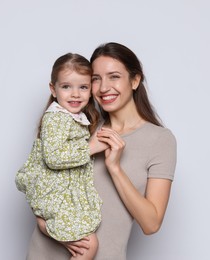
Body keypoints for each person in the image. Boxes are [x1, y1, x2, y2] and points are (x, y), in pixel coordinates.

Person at [25, 43, 177, 260]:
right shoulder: (81, 126)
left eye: (114, 76)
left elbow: (151, 224)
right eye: (96, 79)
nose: (104, 87)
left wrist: (114, 168)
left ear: (135, 81)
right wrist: (44, 226)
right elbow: (41, 179)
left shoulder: (160, 140)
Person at [16, 53, 107, 260]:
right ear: (53, 89)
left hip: (63, 193)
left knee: (87, 243)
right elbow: (54, 157)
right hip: (55, 192)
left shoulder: (74, 117)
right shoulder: (56, 117)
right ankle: (47, 228)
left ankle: (47, 227)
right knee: (89, 245)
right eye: (66, 86)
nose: (75, 94)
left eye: (83, 87)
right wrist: (90, 147)